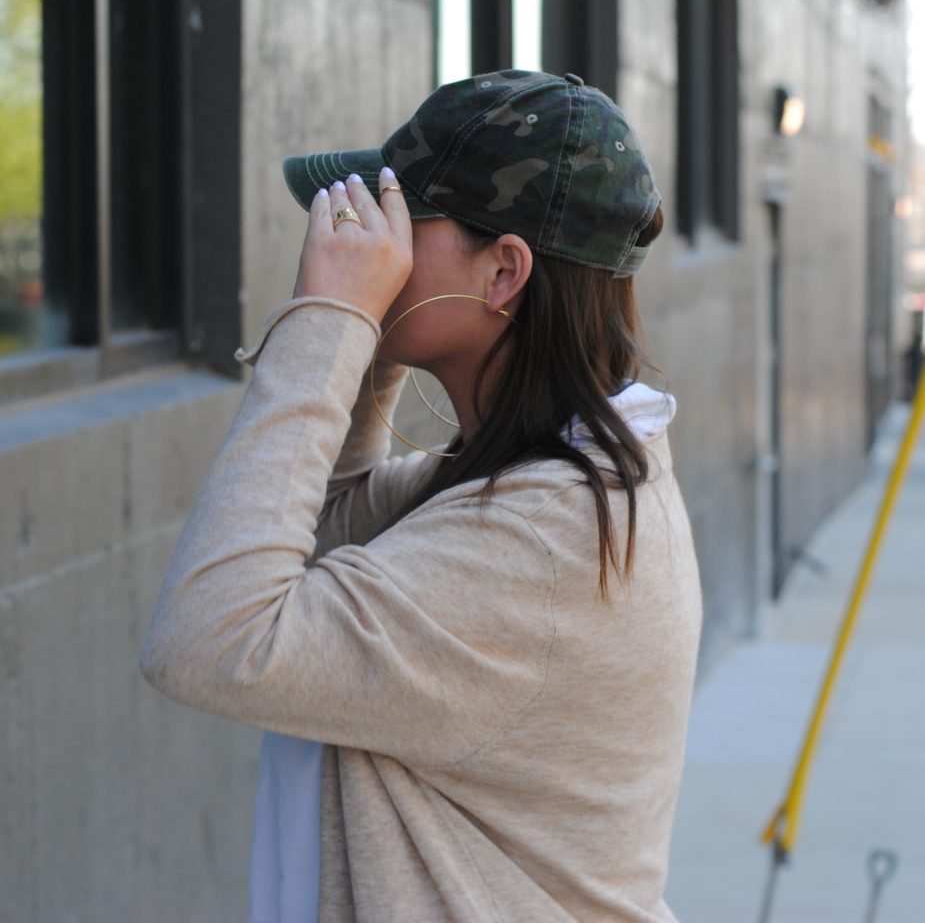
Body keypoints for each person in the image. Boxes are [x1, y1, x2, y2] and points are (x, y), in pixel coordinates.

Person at [139, 68, 703, 923]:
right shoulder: (557, 474)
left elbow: (210, 637)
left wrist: (331, 318)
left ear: (503, 271)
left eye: (403, 214)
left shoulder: (543, 541)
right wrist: (367, 343)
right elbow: (326, 536)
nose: (372, 235)